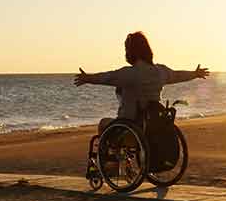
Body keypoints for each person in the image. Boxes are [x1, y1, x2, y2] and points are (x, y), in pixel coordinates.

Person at [74, 31, 209, 133]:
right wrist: (194, 74)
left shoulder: (130, 74)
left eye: (126, 50)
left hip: (129, 125)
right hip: (153, 124)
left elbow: (108, 78)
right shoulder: (160, 71)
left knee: (103, 123)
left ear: (131, 52)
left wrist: (88, 78)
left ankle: (112, 164)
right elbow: (177, 75)